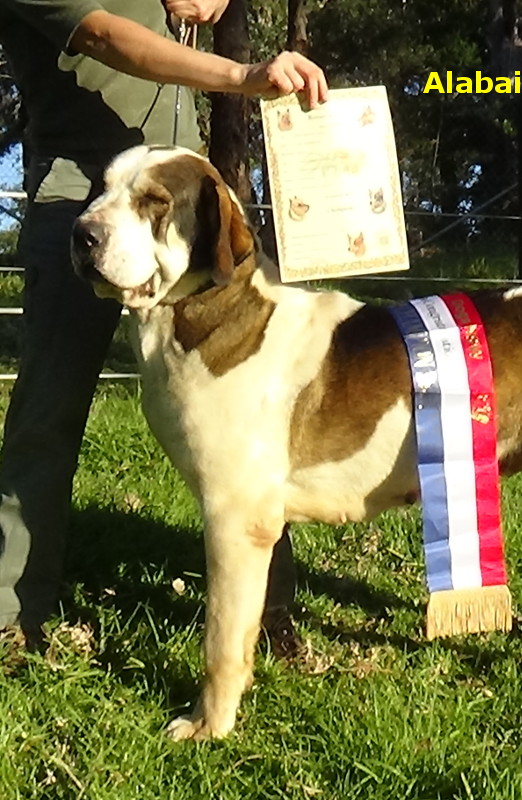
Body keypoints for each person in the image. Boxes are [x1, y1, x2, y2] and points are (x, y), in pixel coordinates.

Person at [0, 0, 324, 647]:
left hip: (183, 222)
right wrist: (242, 75)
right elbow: (105, 35)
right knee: (47, 416)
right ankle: (13, 614)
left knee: (252, 415)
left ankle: (269, 615)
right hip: (82, 204)